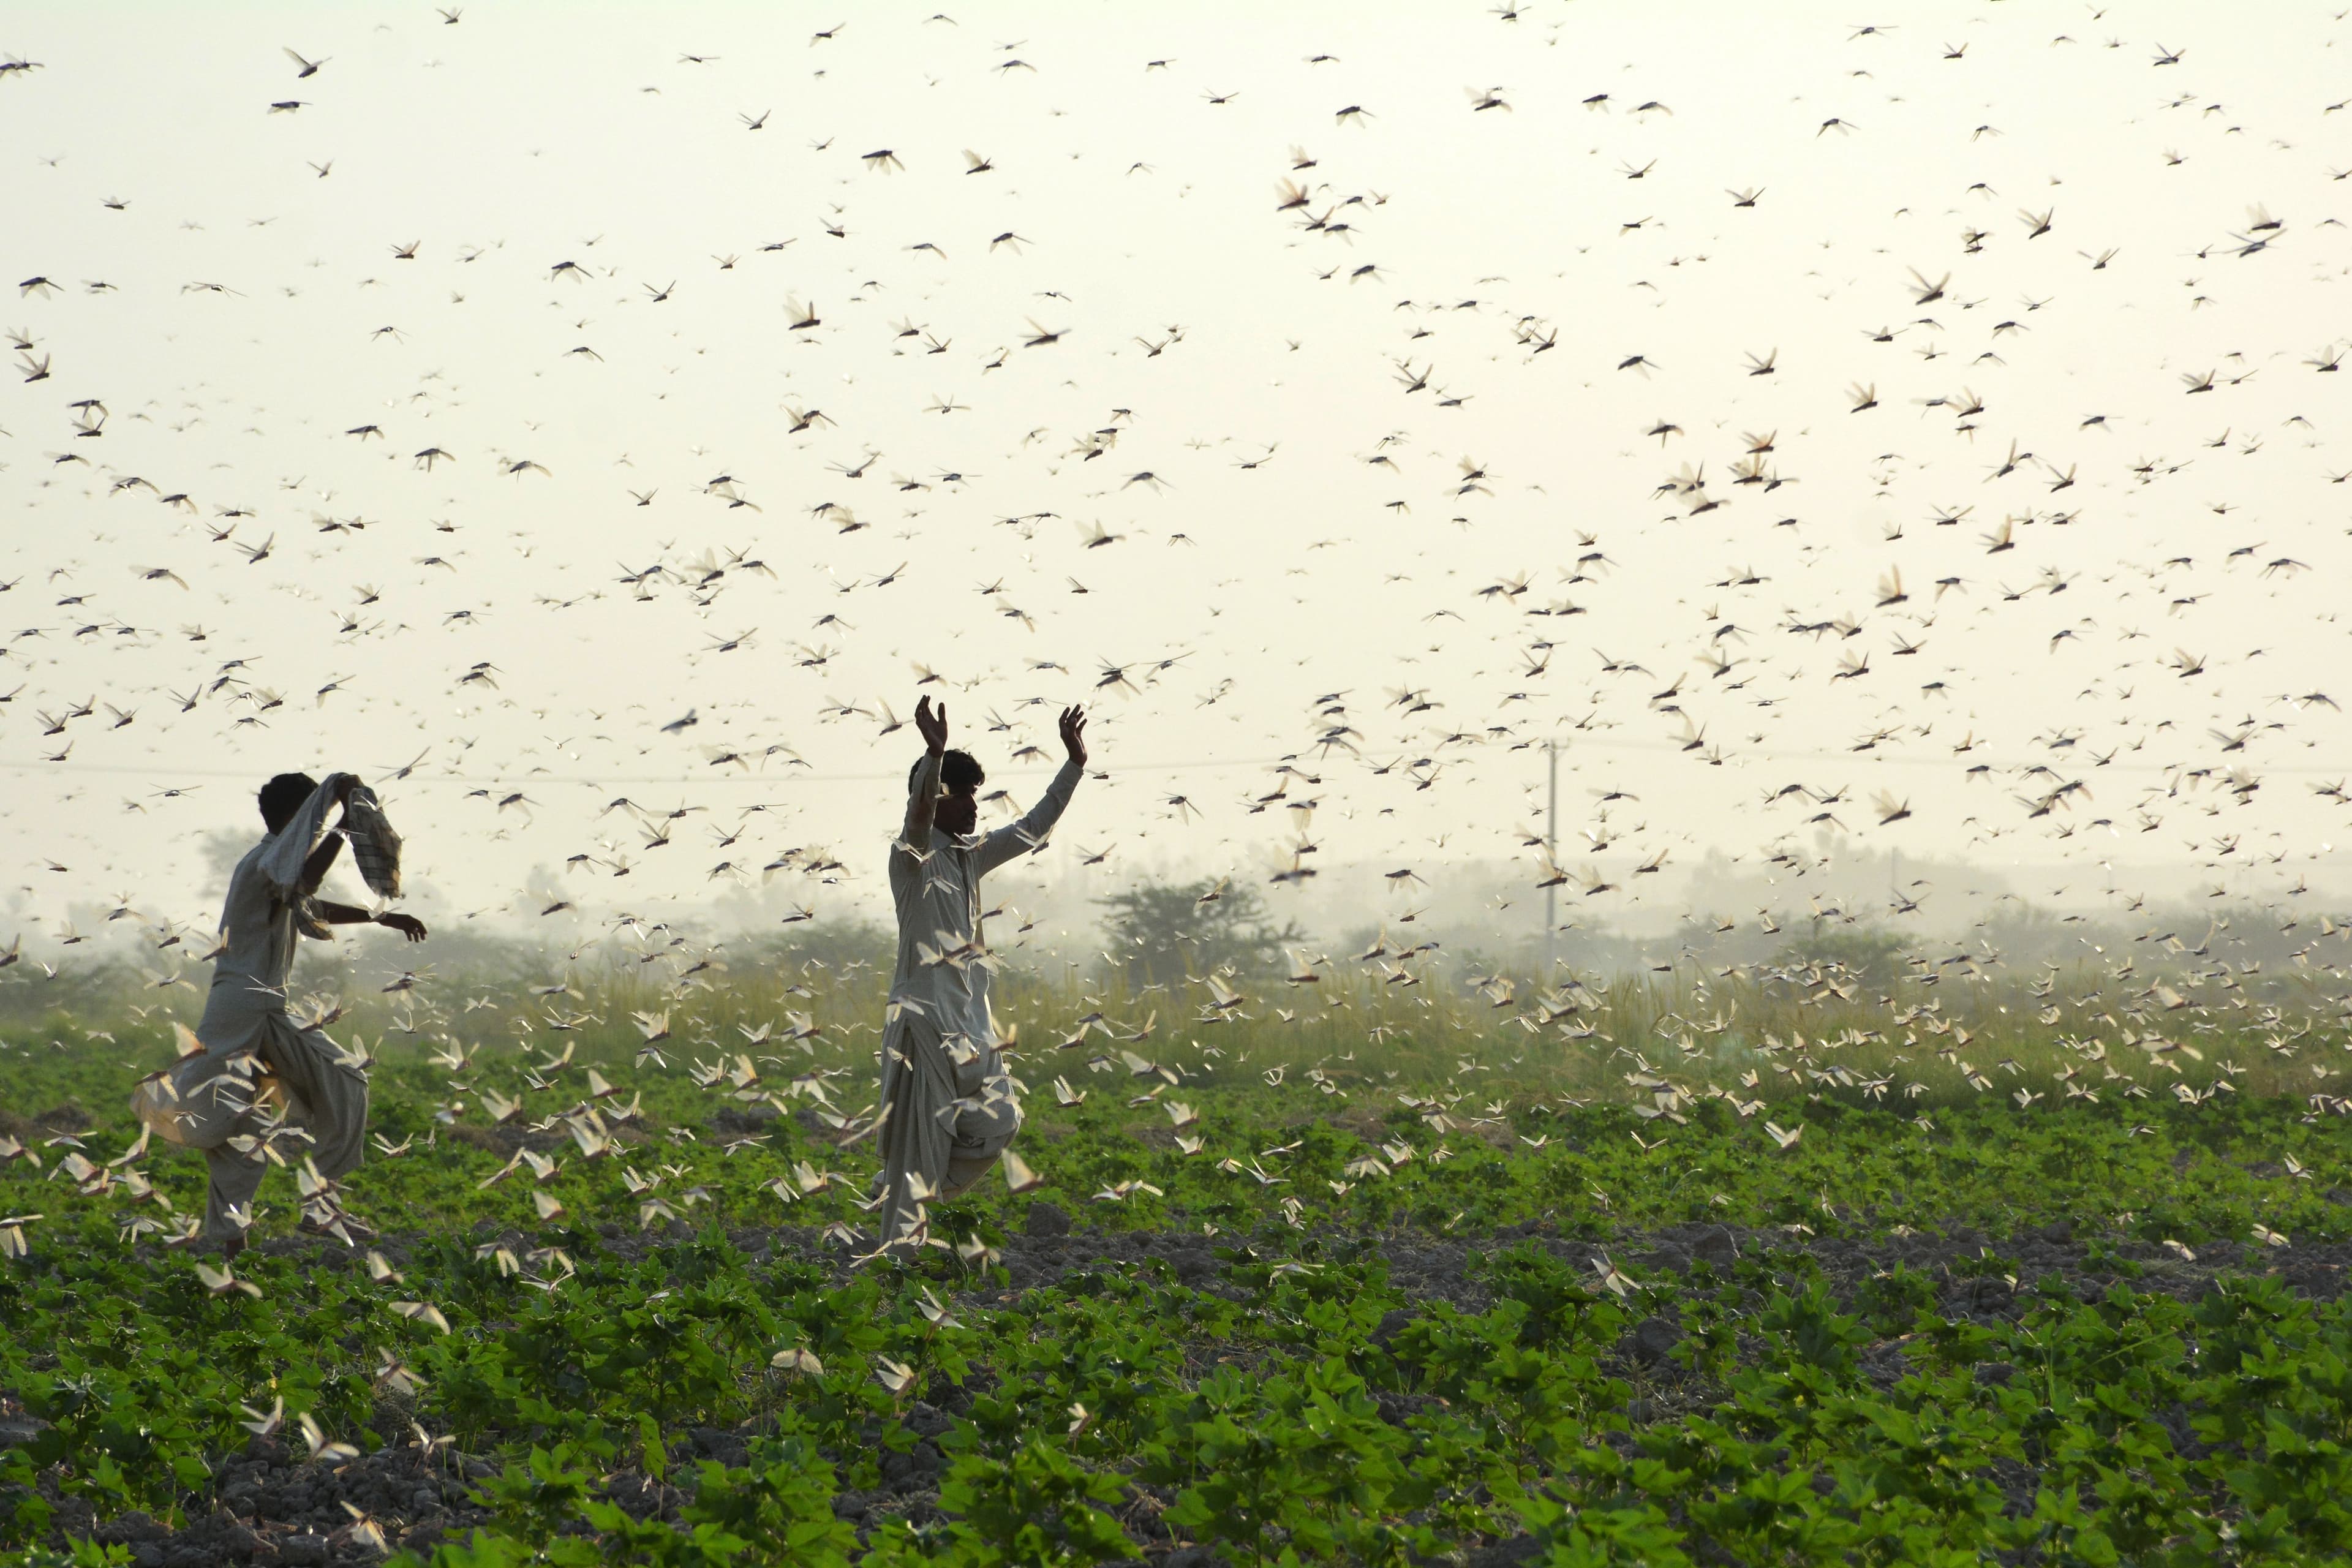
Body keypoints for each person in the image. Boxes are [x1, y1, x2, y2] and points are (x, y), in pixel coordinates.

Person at [145, 772, 425, 1256]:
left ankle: (237, 1250)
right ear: (299, 820)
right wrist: (344, 829)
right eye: (313, 825)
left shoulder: (271, 866)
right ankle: (319, 1208)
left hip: (251, 1004)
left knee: (243, 1126)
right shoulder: (265, 865)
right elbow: (304, 881)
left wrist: (380, 916)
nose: (315, 835)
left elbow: (309, 901)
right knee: (344, 1080)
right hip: (250, 1009)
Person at [873, 696, 1086, 1254]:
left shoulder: (971, 857)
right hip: (924, 1027)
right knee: (918, 1151)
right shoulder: (911, 858)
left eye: (973, 796)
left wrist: (1074, 765)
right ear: (936, 798)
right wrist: (933, 753)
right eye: (960, 795)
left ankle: (908, 1200)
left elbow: (1032, 828)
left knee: (999, 1121)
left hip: (970, 1028)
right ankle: (899, 1256)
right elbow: (917, 818)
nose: (972, 806)